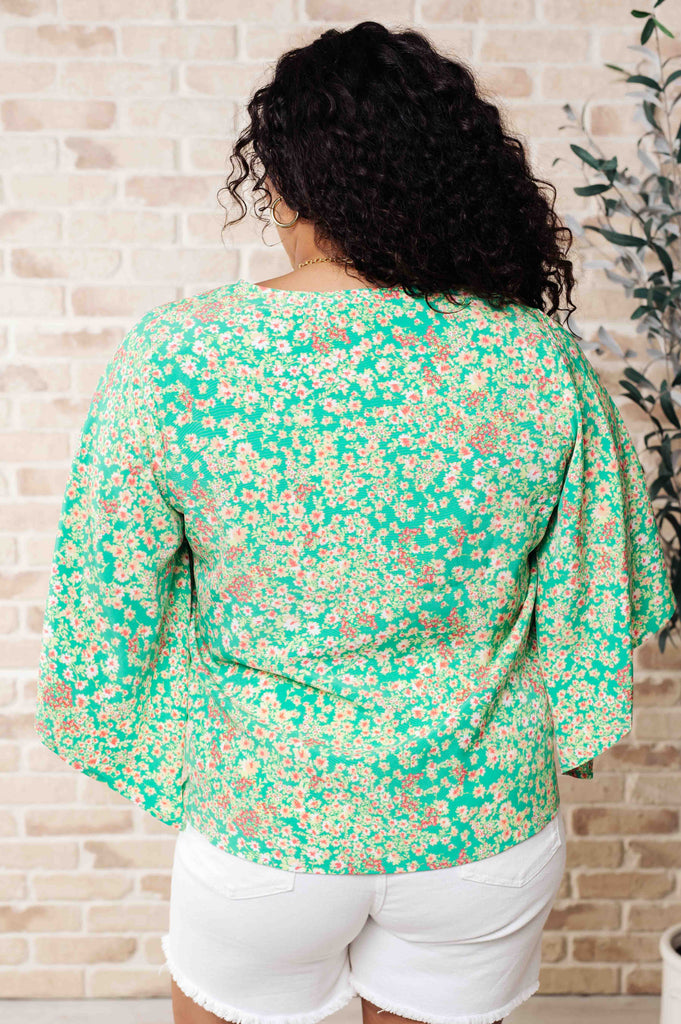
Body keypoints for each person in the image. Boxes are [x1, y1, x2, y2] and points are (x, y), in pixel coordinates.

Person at [35, 20, 675, 1024]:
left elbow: (101, 601)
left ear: (288, 184)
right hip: (479, 830)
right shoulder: (535, 361)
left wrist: (162, 747)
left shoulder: (180, 354)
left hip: (266, 826)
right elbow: (599, 599)